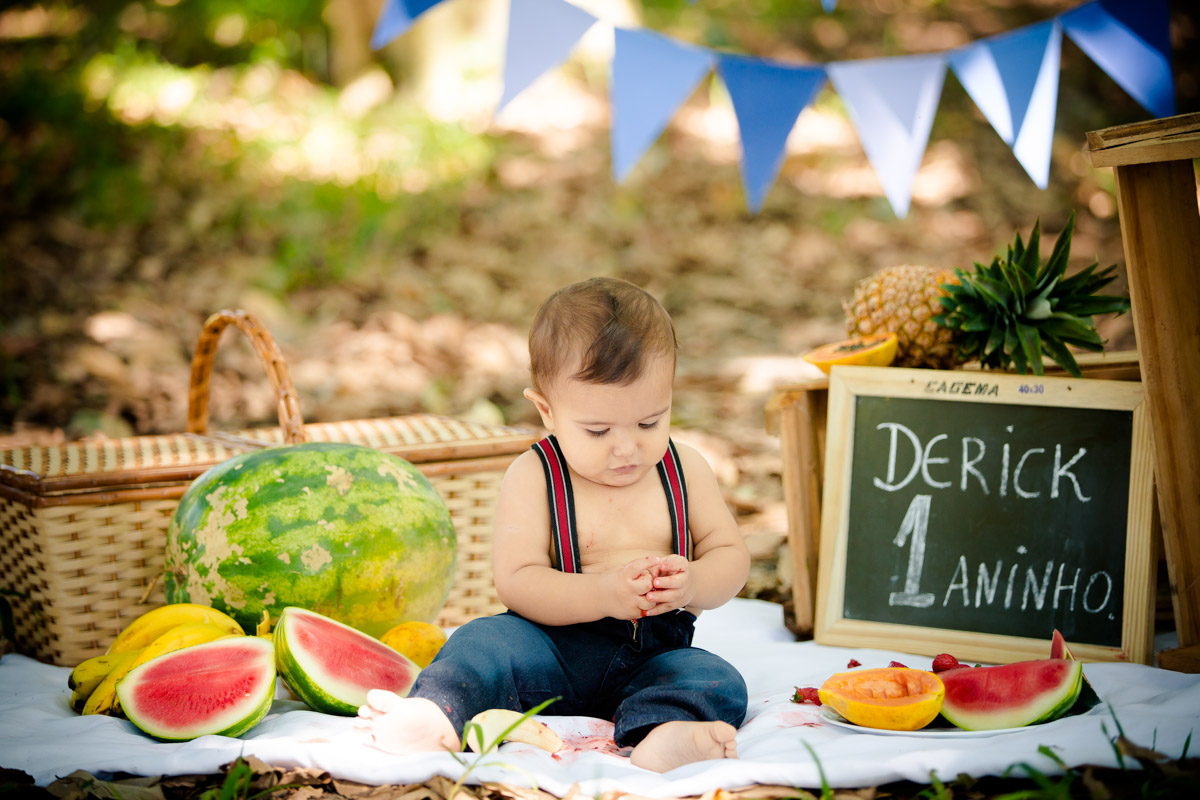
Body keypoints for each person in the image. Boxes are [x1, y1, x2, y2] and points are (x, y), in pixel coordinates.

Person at [356, 277, 751, 772]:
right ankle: (437, 714)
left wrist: (694, 581)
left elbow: (729, 556)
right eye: (598, 430)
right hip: (547, 650)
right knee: (480, 643)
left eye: (650, 422)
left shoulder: (685, 468)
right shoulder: (534, 475)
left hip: (652, 660)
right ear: (547, 411)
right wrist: (604, 593)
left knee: (715, 678)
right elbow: (517, 582)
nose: (626, 447)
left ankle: (665, 732)